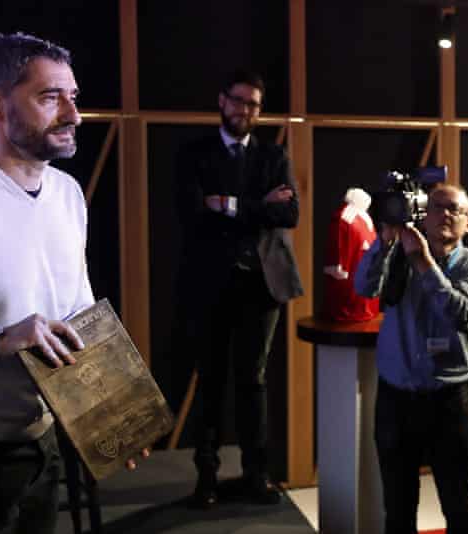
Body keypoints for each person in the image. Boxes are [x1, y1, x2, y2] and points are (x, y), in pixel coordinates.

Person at [0, 32, 144, 534]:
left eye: (73, 97)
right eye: (49, 97)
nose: (73, 114)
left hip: (41, 446)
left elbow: (77, 315)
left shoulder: (66, 194)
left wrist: (111, 412)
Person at [176, 69, 303, 507]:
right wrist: (258, 207)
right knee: (210, 380)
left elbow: (290, 216)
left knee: (253, 380)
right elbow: (191, 213)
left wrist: (228, 205)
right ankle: (206, 479)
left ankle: (256, 476)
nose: (245, 110)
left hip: (261, 286)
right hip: (209, 283)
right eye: (238, 101)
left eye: (253, 104)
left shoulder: (275, 156)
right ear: (222, 101)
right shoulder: (194, 154)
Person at [355, 183, 468, 534]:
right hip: (396, 398)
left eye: (455, 210)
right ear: (423, 214)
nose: (445, 215)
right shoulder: (398, 256)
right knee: (398, 506)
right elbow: (364, 288)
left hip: (447, 399)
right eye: (437, 207)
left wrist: (424, 262)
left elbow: (459, 313)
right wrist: (384, 242)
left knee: (457, 501)